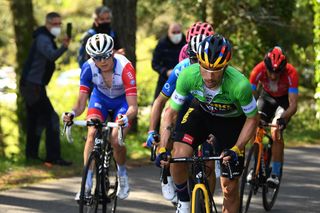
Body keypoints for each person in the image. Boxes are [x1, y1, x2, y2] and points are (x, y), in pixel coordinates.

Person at [157, 34, 259, 213]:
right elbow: (170, 112)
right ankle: (184, 202)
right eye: (205, 68)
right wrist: (163, 147)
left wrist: (237, 148)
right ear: (198, 63)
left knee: (230, 188)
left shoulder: (240, 85)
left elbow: (253, 118)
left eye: (216, 70)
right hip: (201, 113)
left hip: (231, 121)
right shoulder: (188, 75)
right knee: (178, 156)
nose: (210, 76)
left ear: (226, 66)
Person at [63, 33, 138, 200]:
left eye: (105, 56)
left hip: (122, 103)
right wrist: (72, 113)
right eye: (97, 58)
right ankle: (87, 184)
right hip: (100, 100)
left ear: (112, 53)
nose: (102, 61)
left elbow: (133, 106)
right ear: (91, 57)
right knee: (91, 134)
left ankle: (122, 175)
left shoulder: (125, 67)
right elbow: (81, 103)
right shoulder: (88, 68)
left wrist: (125, 118)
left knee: (115, 139)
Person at [147, 34, 208, 203]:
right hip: (184, 105)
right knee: (172, 129)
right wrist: (152, 131)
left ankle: (207, 200)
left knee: (210, 157)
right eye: (193, 59)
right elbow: (160, 102)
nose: (196, 64)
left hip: (204, 108)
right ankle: (167, 174)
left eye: (201, 60)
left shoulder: (214, 71)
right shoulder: (182, 68)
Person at [19, 12, 71, 166]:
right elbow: (51, 55)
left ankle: (32, 156)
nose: (57, 27)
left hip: (34, 85)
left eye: (59, 24)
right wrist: (64, 47)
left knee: (36, 121)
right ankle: (53, 157)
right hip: (32, 86)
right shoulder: (43, 38)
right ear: (47, 24)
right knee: (51, 118)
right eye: (55, 24)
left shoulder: (45, 37)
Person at [249, 46, 298, 187]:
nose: (273, 76)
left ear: (283, 68)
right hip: (266, 99)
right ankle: (255, 166)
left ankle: (275, 173)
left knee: (276, 130)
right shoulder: (258, 70)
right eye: (270, 71)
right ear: (266, 66)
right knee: (253, 126)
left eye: (277, 72)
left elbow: (293, 104)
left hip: (283, 102)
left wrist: (284, 118)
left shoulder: (291, 73)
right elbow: (249, 96)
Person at [151, 22, 186, 130]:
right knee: (157, 103)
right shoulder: (162, 44)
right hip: (165, 79)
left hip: (183, 80)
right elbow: (155, 63)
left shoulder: (186, 43)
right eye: (173, 32)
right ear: (168, 33)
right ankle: (154, 132)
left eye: (178, 32)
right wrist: (165, 71)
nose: (176, 34)